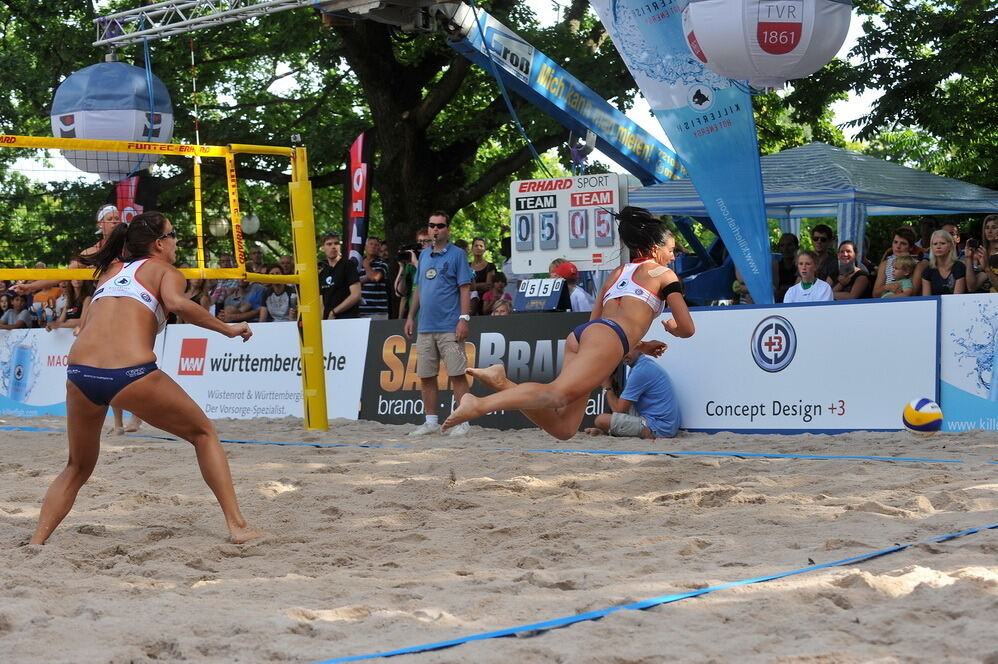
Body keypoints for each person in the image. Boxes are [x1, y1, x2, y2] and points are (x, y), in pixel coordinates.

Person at [28, 211, 263, 545]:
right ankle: (238, 526)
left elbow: (85, 300)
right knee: (204, 433)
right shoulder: (165, 270)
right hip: (129, 374)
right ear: (158, 243)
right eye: (173, 234)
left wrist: (36, 286)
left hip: (79, 374)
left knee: (76, 467)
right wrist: (227, 328)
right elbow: (177, 304)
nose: (177, 240)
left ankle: (37, 542)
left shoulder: (109, 271)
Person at [441, 206, 694, 440]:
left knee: (564, 428)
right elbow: (687, 328)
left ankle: (502, 382)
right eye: (670, 250)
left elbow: (598, 324)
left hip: (584, 336)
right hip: (606, 338)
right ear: (653, 248)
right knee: (556, 394)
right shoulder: (665, 275)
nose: (672, 257)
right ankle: (479, 404)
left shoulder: (618, 273)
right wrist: (672, 327)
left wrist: (639, 345)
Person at [404, 211, 473, 437]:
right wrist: (410, 316)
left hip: (449, 325)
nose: (435, 229)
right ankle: (431, 421)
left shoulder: (457, 254)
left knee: (457, 374)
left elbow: (465, 288)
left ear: (448, 229)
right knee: (426, 375)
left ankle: (463, 422)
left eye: (440, 226)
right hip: (425, 326)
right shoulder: (423, 255)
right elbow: (419, 289)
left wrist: (464, 319)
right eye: (432, 225)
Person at [583, 346, 680, 439]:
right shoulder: (641, 366)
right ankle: (608, 432)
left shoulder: (640, 370)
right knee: (614, 414)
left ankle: (610, 431)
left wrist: (607, 386)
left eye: (628, 348)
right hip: (663, 424)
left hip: (660, 428)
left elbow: (618, 409)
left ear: (640, 349)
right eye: (622, 350)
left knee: (601, 420)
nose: (624, 354)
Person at [318, 232, 361, 319]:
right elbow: (321, 302)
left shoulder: (348, 265)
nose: (333, 247)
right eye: (329, 244)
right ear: (322, 248)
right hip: (328, 321)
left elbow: (356, 295)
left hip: (347, 319)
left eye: (336, 243)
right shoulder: (323, 273)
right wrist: (323, 320)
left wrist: (334, 312)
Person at [872, 226, 920, 297]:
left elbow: (913, 294)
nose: (898, 246)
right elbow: (875, 294)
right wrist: (887, 287)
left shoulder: (916, 264)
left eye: (903, 243)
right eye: (895, 242)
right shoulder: (885, 264)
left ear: (911, 247)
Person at [920, 230, 967, 295]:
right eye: (935, 244)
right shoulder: (927, 271)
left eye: (942, 243)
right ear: (932, 248)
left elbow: (957, 298)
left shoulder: (959, 267)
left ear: (950, 246)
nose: (938, 247)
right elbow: (927, 300)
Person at [358, 236, 389, 319]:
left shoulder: (382, 264)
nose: (373, 246)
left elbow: (375, 277)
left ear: (379, 248)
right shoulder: (357, 264)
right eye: (371, 244)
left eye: (376, 245)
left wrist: (366, 265)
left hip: (378, 311)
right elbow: (351, 282)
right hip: (360, 310)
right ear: (365, 247)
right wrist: (366, 278)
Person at [965, 214, 998, 293]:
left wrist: (987, 268)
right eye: (986, 228)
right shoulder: (980, 253)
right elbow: (971, 287)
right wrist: (969, 258)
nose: (989, 231)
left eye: (994, 227)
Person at [774, 232, 800, 302]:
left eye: (789, 245)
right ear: (779, 248)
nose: (786, 248)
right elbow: (775, 289)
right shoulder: (775, 265)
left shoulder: (801, 265)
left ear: (797, 247)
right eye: (782, 245)